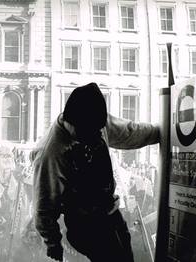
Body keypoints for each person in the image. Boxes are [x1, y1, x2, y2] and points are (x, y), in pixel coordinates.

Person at [32, 83, 160, 262]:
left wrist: (161, 132)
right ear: (73, 124)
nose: (95, 136)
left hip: (110, 212)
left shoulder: (94, 120)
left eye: (97, 131)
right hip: (85, 224)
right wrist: (53, 242)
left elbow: (130, 133)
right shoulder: (52, 153)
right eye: (88, 133)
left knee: (125, 254)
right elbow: (44, 205)